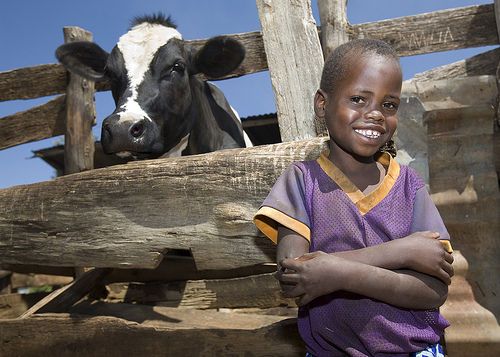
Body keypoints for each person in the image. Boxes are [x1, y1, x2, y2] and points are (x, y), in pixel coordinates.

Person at [253, 39, 454, 357]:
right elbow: (295, 276)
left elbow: (434, 292)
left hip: (415, 352)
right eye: (359, 99)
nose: (375, 114)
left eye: (389, 105)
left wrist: (333, 272)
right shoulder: (301, 181)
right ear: (323, 104)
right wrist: (400, 253)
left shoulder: (409, 185)